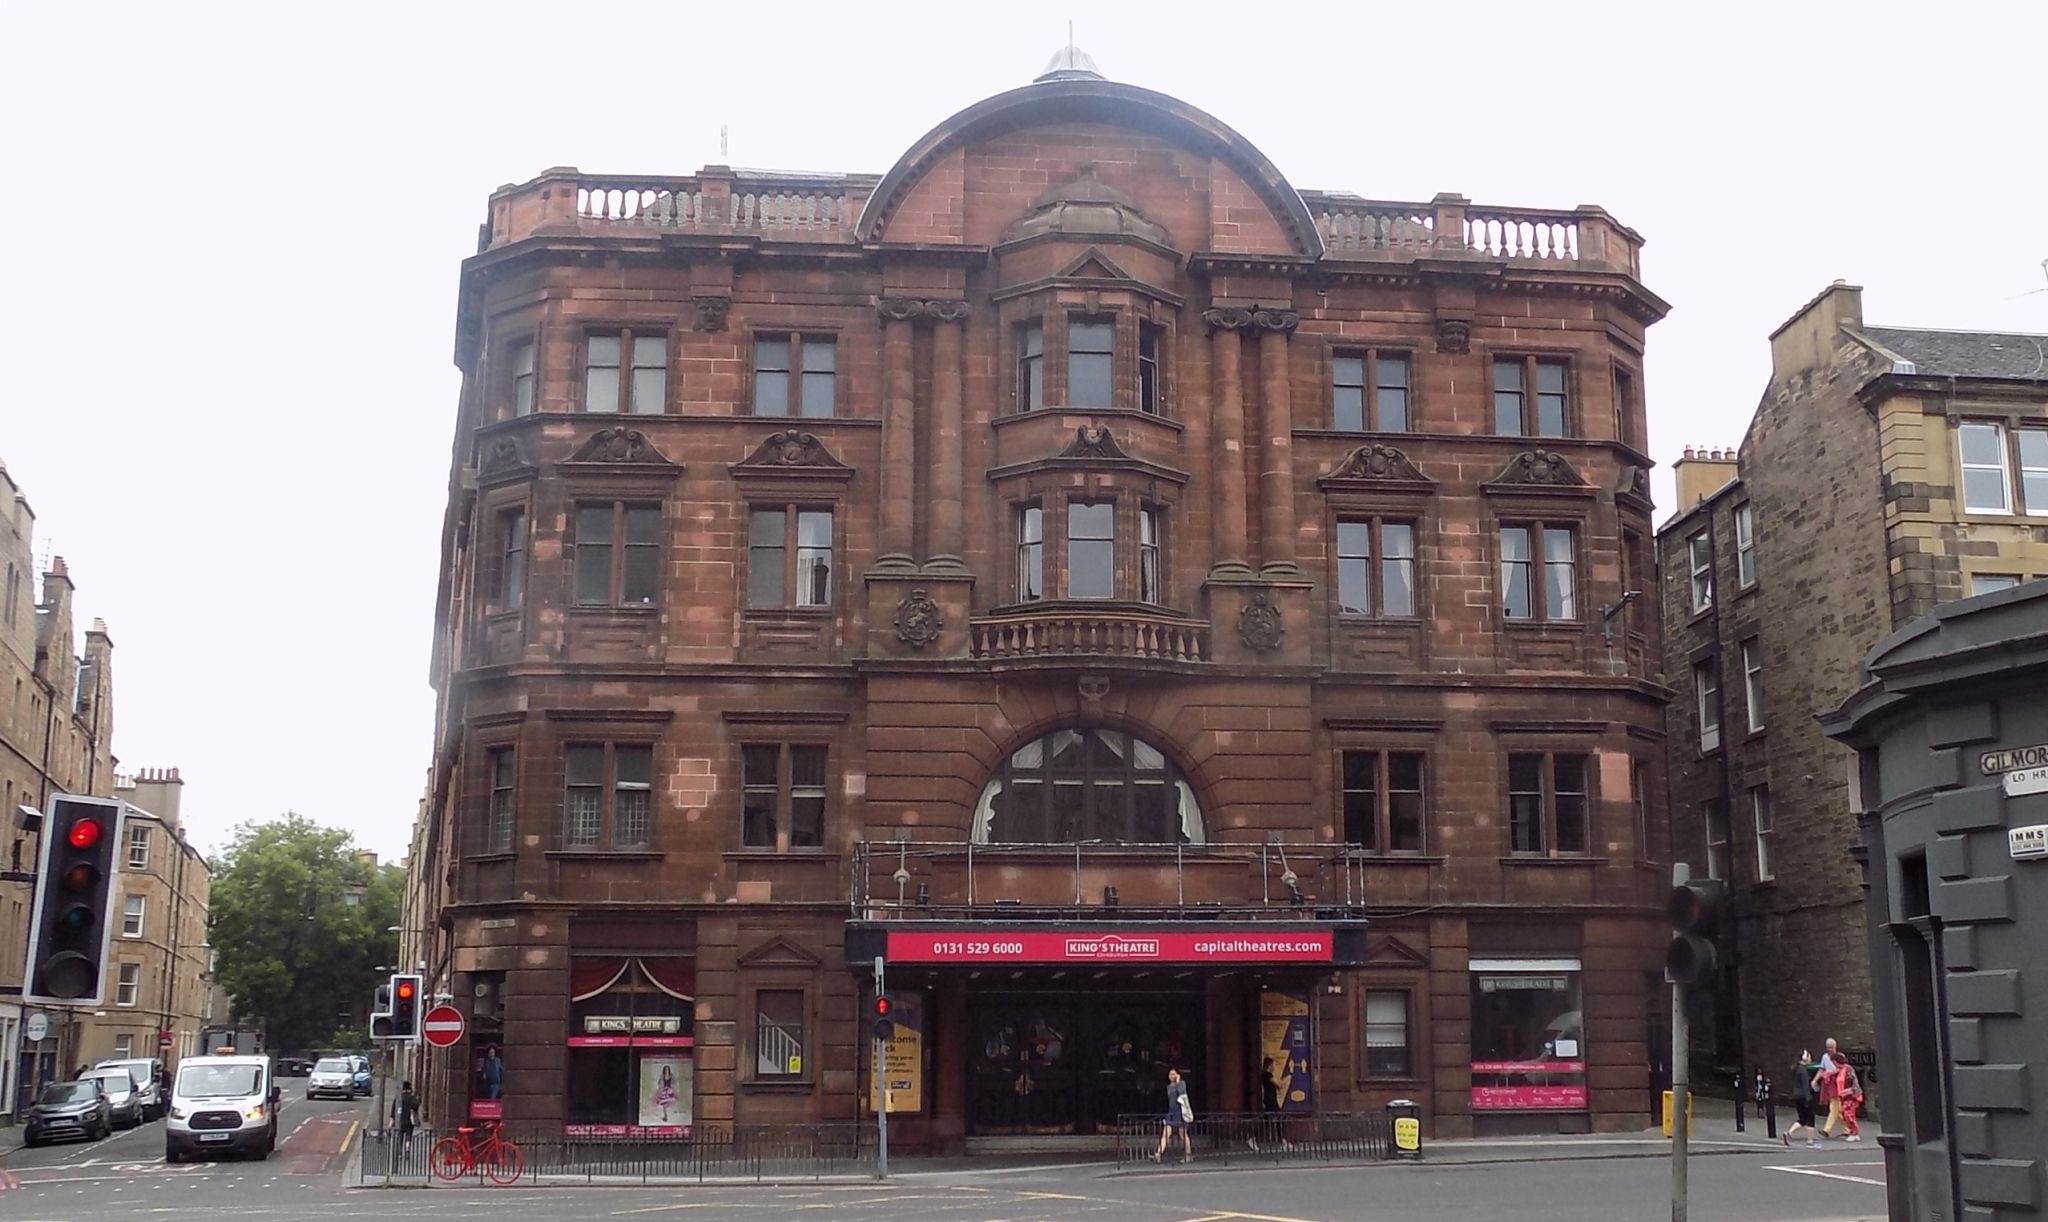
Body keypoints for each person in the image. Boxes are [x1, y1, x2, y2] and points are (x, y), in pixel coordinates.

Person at [1780, 1050, 1823, 1149]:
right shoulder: (1803, 1070)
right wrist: (1808, 1098)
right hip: (1804, 1096)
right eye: (1809, 1057)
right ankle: (1810, 1142)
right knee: (1810, 1118)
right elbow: (1805, 1085)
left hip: (1796, 1096)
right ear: (1805, 1058)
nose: (1811, 1059)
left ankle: (1789, 1133)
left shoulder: (1796, 1069)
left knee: (1803, 1119)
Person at [1154, 1067, 1193, 1164]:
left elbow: (1182, 1094)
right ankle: (1159, 1153)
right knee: (1165, 1134)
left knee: (1183, 1135)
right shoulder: (1168, 1087)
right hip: (1171, 1112)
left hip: (1181, 1111)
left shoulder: (1182, 1084)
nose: (1171, 1076)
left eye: (1173, 1074)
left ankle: (1188, 1155)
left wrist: (1178, 1082)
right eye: (1170, 1074)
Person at [1834, 1060, 1864, 1142]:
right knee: (1847, 1115)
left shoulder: (1848, 1069)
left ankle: (1854, 1133)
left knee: (1849, 1115)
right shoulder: (1840, 1070)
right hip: (1844, 1096)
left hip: (1850, 1096)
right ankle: (1854, 1132)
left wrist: (1852, 1091)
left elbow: (1854, 1082)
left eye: (1834, 1062)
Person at [393, 1080, 420, 1153]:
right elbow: (416, 1106)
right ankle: (407, 1148)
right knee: (408, 1136)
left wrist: (392, 1120)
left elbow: (393, 1110)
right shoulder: (412, 1098)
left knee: (400, 1135)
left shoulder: (399, 1098)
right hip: (409, 1121)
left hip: (400, 1121)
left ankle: (400, 1149)